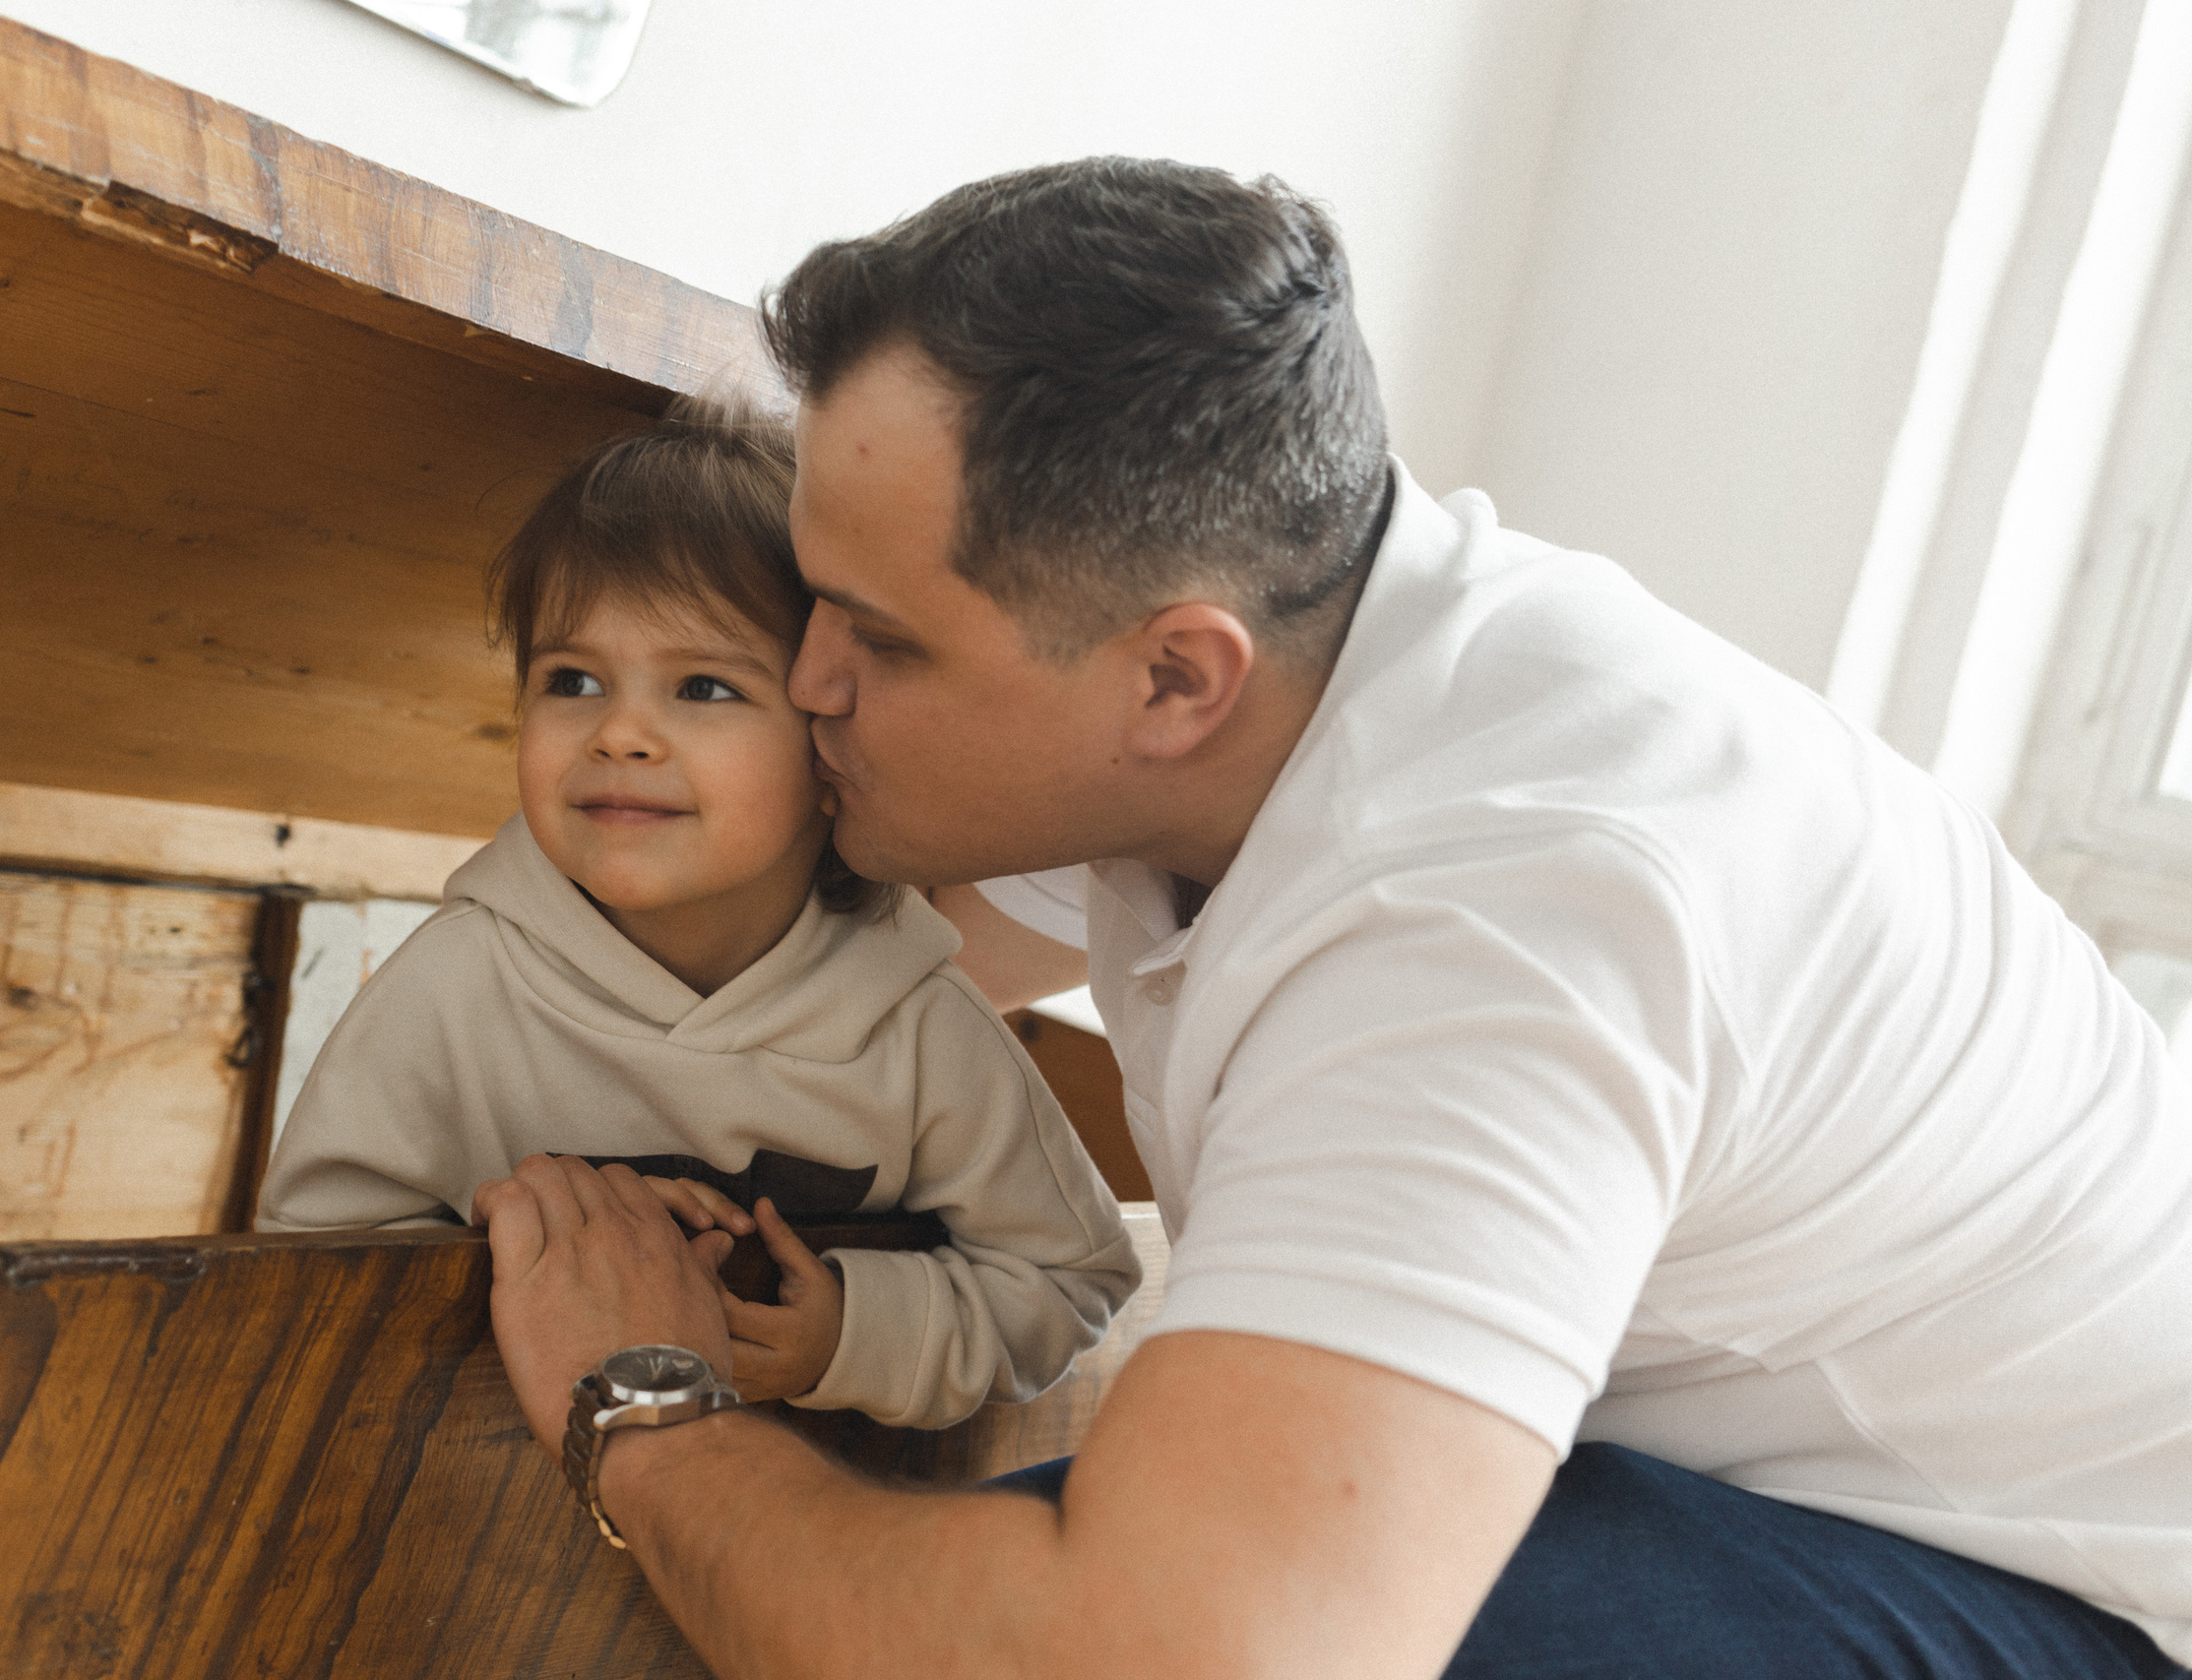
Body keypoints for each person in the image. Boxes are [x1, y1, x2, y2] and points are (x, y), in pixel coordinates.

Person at [474, 159, 2192, 1679]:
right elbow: (865, 970)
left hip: (2073, 1594)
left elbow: (1140, 1657)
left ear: (1175, 678)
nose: (807, 678)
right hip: (1761, 1490)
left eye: (883, 638)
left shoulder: (1500, 914)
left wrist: (643, 1403)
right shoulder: (1295, 658)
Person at [259, 401, 1139, 1429]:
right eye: (571, 679)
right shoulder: (452, 985)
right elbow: (298, 1268)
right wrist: (521, 1240)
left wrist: (850, 1337)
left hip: (819, 1513)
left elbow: (1069, 1281)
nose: (620, 732)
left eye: (704, 687)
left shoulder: (917, 1022)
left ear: (834, 737)